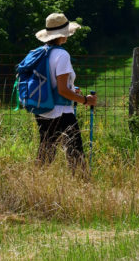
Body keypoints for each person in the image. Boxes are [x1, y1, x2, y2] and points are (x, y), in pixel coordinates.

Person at [33, 12, 96, 173]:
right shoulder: (62, 55)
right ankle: (83, 185)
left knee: (46, 149)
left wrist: (72, 89)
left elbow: (52, 82)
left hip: (42, 108)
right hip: (60, 111)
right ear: (62, 35)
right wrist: (85, 100)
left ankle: (34, 181)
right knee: (75, 150)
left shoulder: (41, 52)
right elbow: (62, 90)